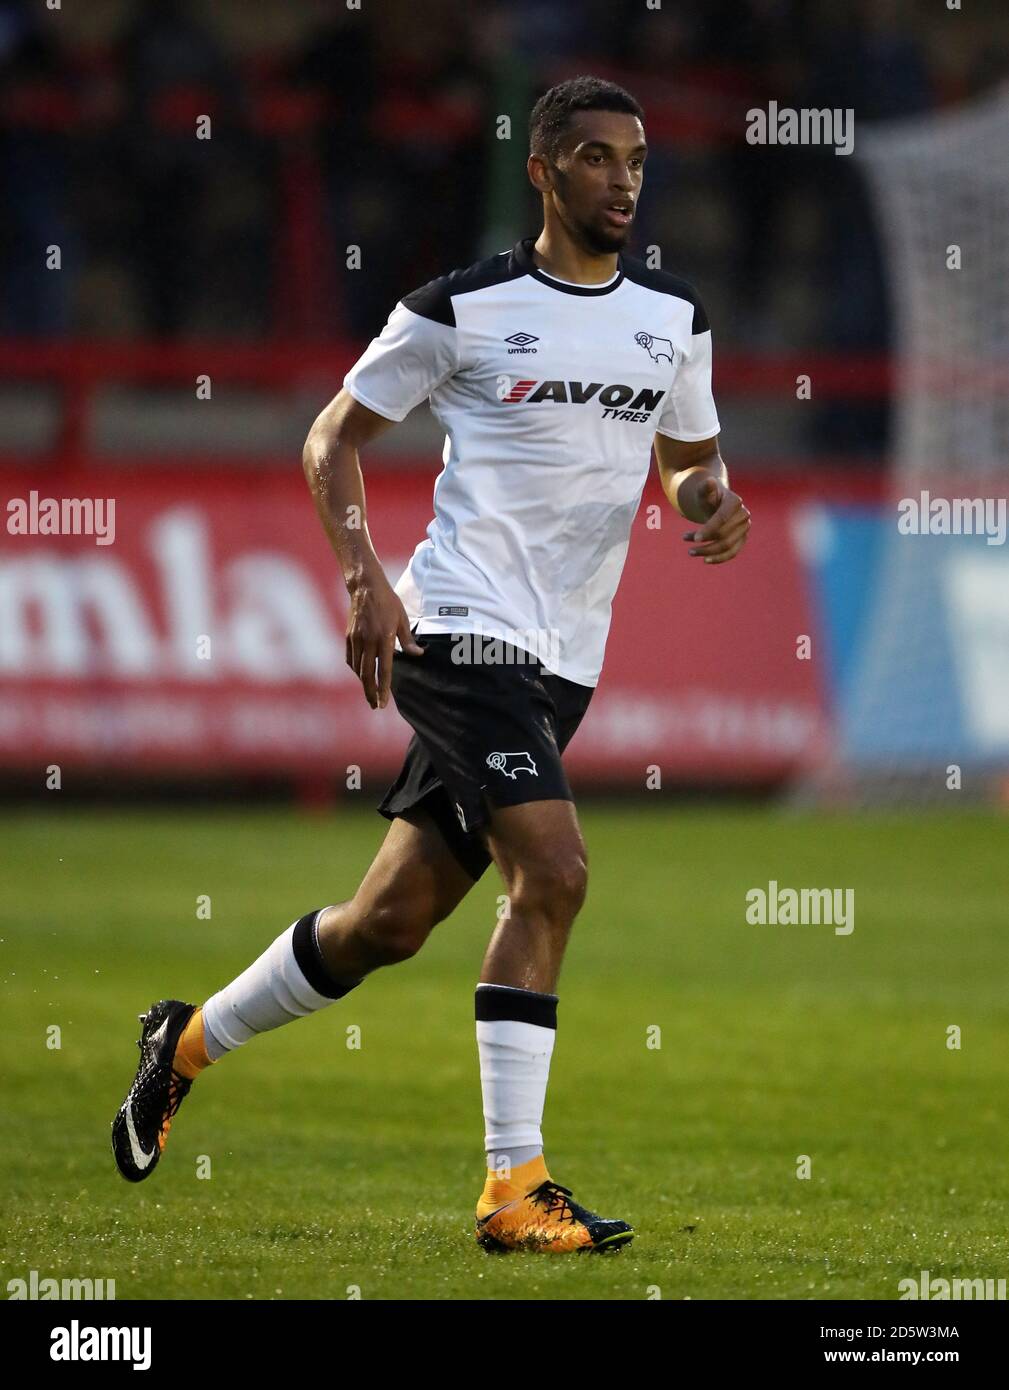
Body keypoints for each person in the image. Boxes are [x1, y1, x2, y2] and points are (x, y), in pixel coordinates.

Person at [112, 74, 751, 1254]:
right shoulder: (461, 307)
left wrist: (709, 501)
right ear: (544, 170)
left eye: (638, 161)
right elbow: (331, 438)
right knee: (553, 872)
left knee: (386, 921)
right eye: (599, 159)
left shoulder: (672, 317)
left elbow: (686, 461)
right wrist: (365, 576)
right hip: (457, 631)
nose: (623, 181)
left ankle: (184, 1040)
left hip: (565, 656)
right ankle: (514, 1190)